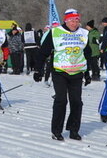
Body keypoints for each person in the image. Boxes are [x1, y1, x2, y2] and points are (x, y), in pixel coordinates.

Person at [35, 9, 91, 140]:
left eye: (76, 20)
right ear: (66, 20)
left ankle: (73, 130)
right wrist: (38, 70)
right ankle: (56, 131)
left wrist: (87, 73)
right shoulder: (55, 32)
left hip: (77, 72)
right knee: (61, 100)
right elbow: (43, 52)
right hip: (60, 71)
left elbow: (87, 54)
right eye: (71, 20)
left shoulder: (83, 33)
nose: (74, 23)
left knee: (77, 102)